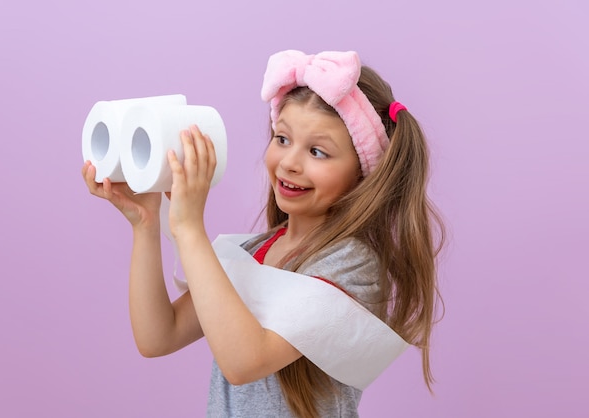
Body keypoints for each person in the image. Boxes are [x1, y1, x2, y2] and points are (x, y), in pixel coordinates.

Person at [82, 49, 444, 418]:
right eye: (282, 139)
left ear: (364, 171)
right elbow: (159, 336)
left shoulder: (351, 266)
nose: (289, 162)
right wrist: (145, 224)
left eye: (318, 152)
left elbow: (245, 362)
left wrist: (190, 228)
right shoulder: (255, 252)